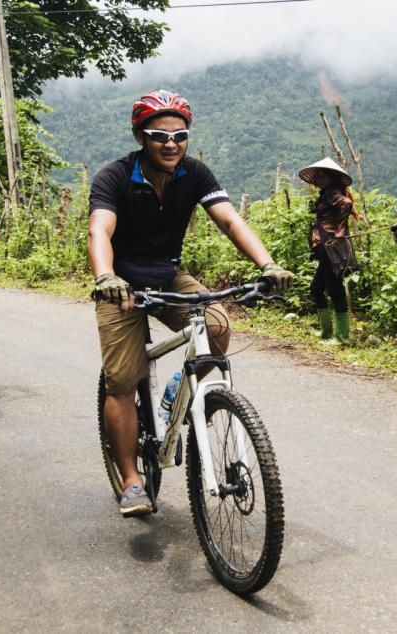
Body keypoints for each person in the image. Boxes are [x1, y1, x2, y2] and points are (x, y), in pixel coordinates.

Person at [88, 89, 294, 517]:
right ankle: (130, 479)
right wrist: (106, 277)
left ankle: (173, 393)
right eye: (159, 135)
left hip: (167, 273)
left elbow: (230, 220)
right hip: (122, 281)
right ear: (140, 137)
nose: (170, 144)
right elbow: (100, 230)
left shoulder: (194, 173)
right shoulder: (115, 176)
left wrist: (268, 265)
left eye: (179, 135)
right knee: (123, 379)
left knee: (217, 325)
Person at [299, 156, 358, 345]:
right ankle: (326, 332)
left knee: (334, 289)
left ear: (331, 177)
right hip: (324, 246)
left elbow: (347, 204)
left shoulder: (332, 191)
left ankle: (342, 337)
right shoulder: (326, 193)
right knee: (316, 288)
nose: (318, 179)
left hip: (330, 246)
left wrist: (339, 229)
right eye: (317, 176)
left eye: (322, 175)